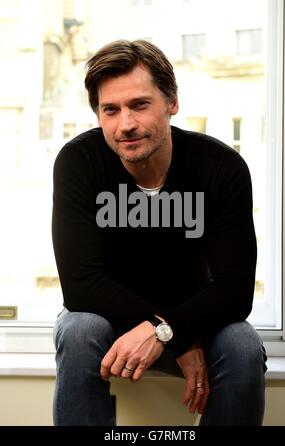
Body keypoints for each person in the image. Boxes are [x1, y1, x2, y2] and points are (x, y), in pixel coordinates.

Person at [52, 39, 267, 426]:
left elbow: (235, 289)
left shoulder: (221, 167)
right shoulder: (79, 161)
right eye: (111, 110)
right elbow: (80, 285)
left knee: (243, 345)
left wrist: (170, 330)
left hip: (193, 318)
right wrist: (168, 333)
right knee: (79, 328)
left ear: (172, 103)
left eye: (139, 105)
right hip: (112, 320)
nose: (126, 124)